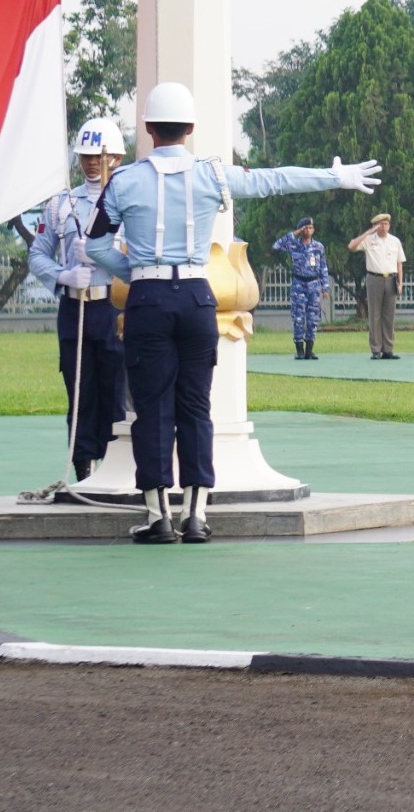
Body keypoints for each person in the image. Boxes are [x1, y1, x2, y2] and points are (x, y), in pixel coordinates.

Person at [86, 81, 381, 543]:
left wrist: (136, 271)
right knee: (196, 406)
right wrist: (333, 176)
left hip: (148, 301)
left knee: (151, 408)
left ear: (147, 128)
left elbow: (95, 244)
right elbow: (273, 179)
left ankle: (159, 517)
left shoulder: (125, 181)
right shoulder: (213, 175)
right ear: (191, 128)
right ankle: (198, 516)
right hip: (199, 299)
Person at [30, 116, 129, 479]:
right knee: (79, 388)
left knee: (113, 387)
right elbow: (38, 253)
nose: (91, 163)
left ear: (116, 157)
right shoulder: (61, 205)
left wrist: (108, 255)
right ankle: (83, 466)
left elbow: (139, 256)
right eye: (85, 156)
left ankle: (114, 466)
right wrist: (62, 275)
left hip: (111, 307)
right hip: (75, 306)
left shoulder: (126, 203)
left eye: (99, 156)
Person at [349, 214, 406, 360]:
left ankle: (388, 349)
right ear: (375, 225)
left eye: (386, 224)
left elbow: (399, 262)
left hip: (391, 278)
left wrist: (400, 282)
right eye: (380, 224)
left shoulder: (395, 241)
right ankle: (376, 349)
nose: (384, 226)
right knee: (375, 315)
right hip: (374, 278)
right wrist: (368, 232)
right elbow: (352, 246)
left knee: (389, 316)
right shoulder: (369, 240)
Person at [272, 218, 330, 360]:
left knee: (313, 318)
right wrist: (295, 233)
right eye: (305, 228)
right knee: (298, 318)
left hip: (314, 285)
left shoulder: (318, 247)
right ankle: (299, 350)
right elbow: (276, 245)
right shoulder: (293, 245)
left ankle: (309, 350)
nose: (308, 230)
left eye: (310, 227)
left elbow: (323, 267)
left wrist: (325, 288)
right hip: (299, 284)